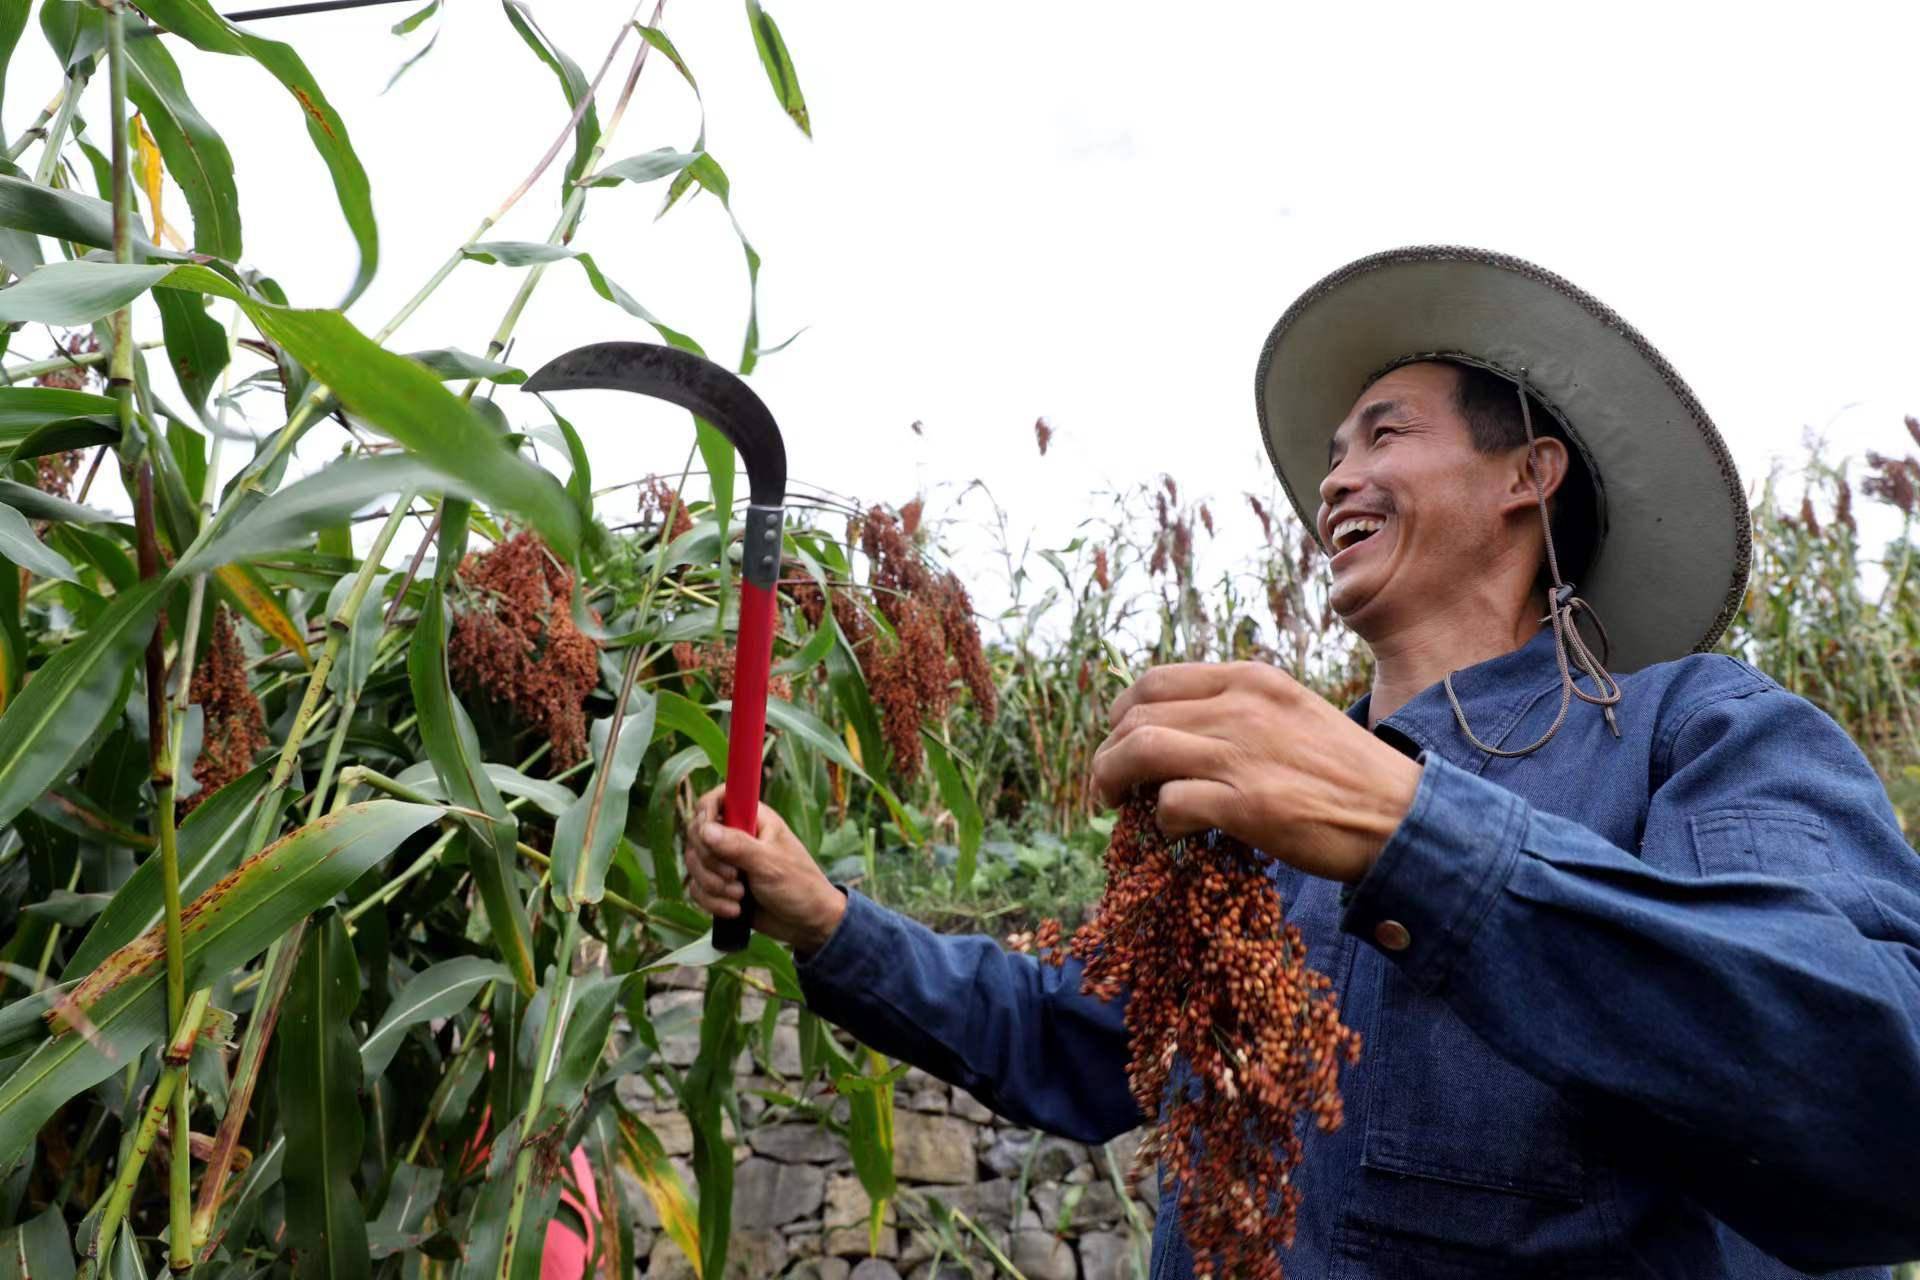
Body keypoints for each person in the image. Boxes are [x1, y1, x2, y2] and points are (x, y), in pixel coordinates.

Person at [684, 246, 1920, 1278]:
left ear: (1528, 474)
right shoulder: (1255, 809)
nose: (1337, 477)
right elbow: (1078, 1037)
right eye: (1333, 451)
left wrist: (1410, 832)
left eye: (1385, 432)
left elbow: (1871, 1095)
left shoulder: (1700, 731)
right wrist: (827, 917)